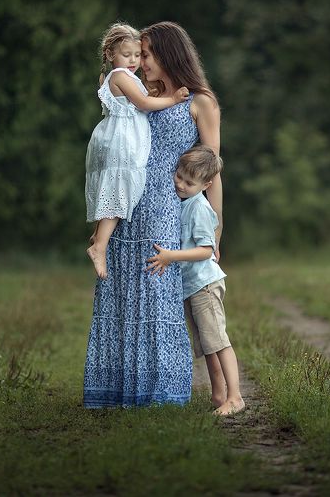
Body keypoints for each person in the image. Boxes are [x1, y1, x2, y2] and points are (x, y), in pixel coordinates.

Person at [83, 22, 223, 408]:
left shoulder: (200, 101)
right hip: (129, 203)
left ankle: (161, 392)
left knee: (157, 292)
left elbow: (212, 170)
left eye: (145, 54)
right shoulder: (141, 93)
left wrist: (216, 226)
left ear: (168, 54)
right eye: (138, 54)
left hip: (165, 205)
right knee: (121, 292)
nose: (140, 62)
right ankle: (117, 389)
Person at [145, 146, 245, 415]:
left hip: (205, 285)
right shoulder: (184, 202)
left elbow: (206, 250)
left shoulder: (199, 207)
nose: (181, 184)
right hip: (192, 286)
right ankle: (218, 394)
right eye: (179, 177)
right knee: (206, 345)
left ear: (206, 185)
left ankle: (235, 397)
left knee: (218, 341)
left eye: (189, 183)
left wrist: (170, 257)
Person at [85, 22, 189, 280]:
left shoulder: (125, 77)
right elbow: (143, 103)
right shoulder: (120, 77)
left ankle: (101, 235)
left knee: (115, 189)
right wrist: (173, 99)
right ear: (110, 55)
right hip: (121, 143)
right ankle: (99, 246)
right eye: (126, 55)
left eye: (137, 55)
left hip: (117, 140)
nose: (133, 61)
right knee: (120, 190)